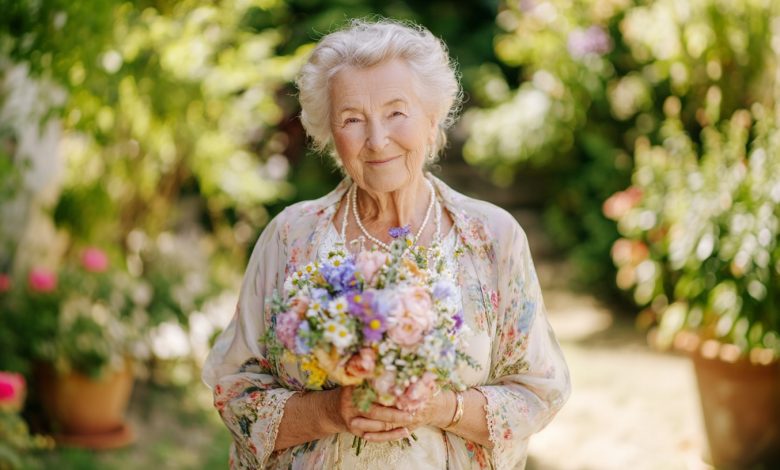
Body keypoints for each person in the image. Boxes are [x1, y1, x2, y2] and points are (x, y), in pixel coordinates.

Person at [203, 18, 571, 470]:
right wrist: (330, 410)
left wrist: (439, 406)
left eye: (397, 113)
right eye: (352, 119)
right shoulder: (289, 237)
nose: (377, 140)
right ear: (329, 133)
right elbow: (236, 393)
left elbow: (537, 391)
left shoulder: (494, 238)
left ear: (433, 119)